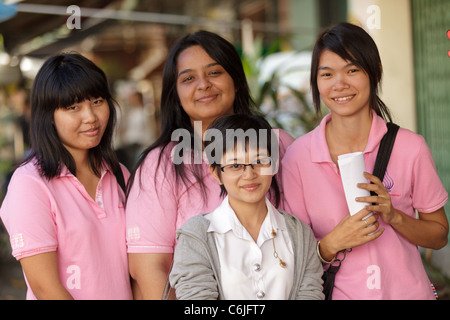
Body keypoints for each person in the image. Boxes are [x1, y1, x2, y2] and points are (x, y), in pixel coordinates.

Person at [282, 22, 449, 300]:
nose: (339, 84)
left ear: (375, 72)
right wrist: (331, 244)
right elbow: (290, 255)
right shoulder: (298, 158)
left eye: (352, 70)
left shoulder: (410, 147)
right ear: (316, 81)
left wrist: (394, 216)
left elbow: (440, 236)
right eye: (327, 74)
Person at [126, 30, 294, 299]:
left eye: (214, 72)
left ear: (236, 81)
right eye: (188, 78)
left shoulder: (279, 144)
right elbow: (149, 269)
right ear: (175, 93)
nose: (203, 84)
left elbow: (305, 238)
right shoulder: (160, 165)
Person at [0, 53, 132, 300]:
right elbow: (45, 288)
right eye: (73, 107)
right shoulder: (30, 184)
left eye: (97, 101)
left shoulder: (119, 174)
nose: (90, 117)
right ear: (48, 116)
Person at [169, 114, 324, 300]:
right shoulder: (197, 236)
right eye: (235, 165)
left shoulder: (299, 233)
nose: (249, 174)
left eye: (259, 161)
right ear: (216, 173)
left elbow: (311, 295)